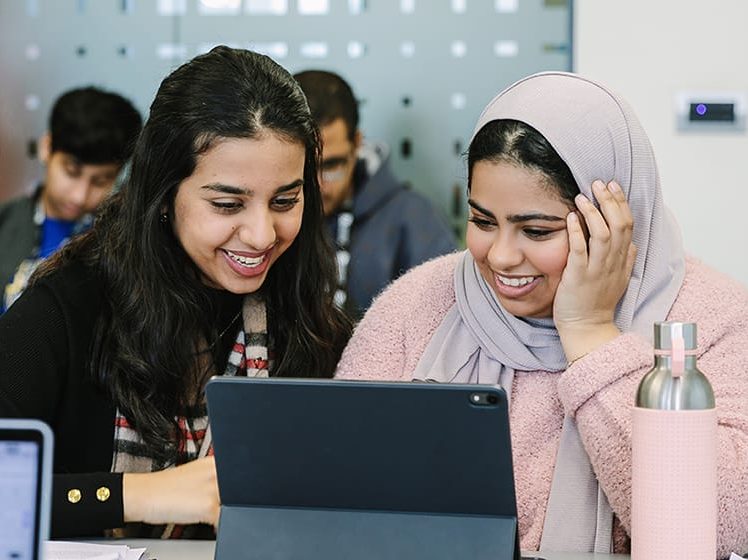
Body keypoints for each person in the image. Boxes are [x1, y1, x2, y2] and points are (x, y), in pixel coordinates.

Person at [335, 72, 748, 557]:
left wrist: (591, 334)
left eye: (535, 230)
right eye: (483, 221)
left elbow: (715, 529)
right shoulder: (416, 305)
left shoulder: (710, 322)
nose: (502, 256)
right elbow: (340, 494)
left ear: (610, 221)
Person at [0, 46, 351, 538]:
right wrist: (145, 495)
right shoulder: (69, 307)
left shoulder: (309, 318)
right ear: (165, 194)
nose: (262, 234)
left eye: (285, 201)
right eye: (228, 204)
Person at [293, 70, 457, 319]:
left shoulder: (415, 220)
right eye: (305, 167)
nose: (318, 185)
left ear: (357, 143)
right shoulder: (266, 222)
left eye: (332, 166)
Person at [0, 86, 142, 312]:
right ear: (47, 148)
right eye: (71, 172)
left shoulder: (124, 240)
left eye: (101, 181)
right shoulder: (5, 224)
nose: (80, 195)